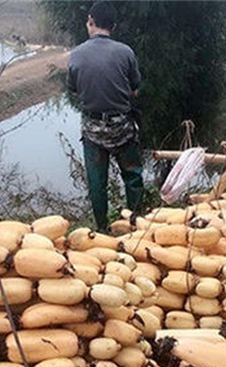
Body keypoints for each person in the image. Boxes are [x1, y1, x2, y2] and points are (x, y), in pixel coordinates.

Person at [67, 1, 144, 233]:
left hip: (93, 128)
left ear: (91, 20)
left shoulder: (76, 54)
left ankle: (102, 230)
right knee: (132, 176)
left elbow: (73, 90)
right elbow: (135, 89)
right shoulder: (125, 52)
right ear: (114, 25)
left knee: (97, 183)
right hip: (122, 126)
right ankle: (137, 226)